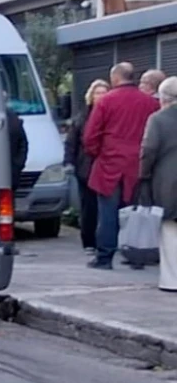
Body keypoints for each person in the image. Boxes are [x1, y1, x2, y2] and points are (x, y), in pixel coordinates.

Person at [83, 62, 159, 270]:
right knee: (136, 213)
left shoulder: (106, 101)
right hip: (138, 165)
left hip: (110, 163)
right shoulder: (150, 103)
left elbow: (91, 136)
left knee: (107, 213)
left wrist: (97, 153)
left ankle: (105, 257)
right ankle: (136, 255)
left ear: (115, 78)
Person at [139, 77, 177, 292]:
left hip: (168, 182)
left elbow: (148, 150)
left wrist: (143, 175)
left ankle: (172, 280)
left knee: (170, 230)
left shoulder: (158, 119)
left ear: (163, 98)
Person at [66, 79, 110, 254]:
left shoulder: (111, 115)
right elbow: (71, 143)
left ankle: (104, 241)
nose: (100, 96)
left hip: (105, 166)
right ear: (91, 96)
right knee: (88, 206)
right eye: (98, 93)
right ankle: (89, 241)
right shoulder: (82, 118)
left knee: (105, 206)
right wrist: (69, 162)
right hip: (85, 168)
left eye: (104, 93)